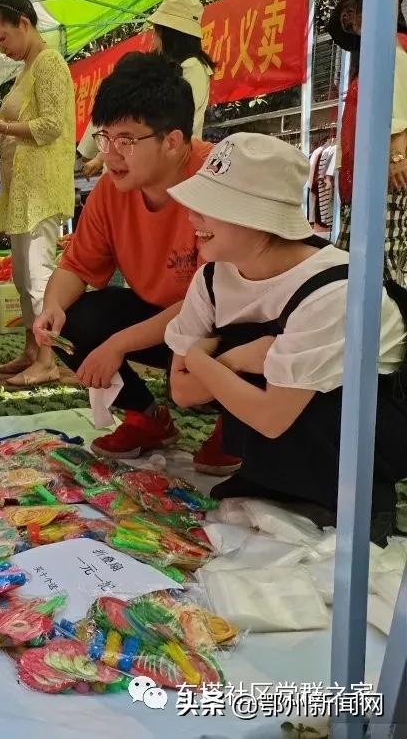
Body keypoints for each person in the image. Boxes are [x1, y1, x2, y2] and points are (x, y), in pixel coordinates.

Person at [165, 133, 407, 543]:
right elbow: (182, 392)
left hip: (366, 437)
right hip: (280, 423)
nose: (192, 219)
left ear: (260, 218)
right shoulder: (213, 276)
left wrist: (206, 359)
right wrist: (234, 361)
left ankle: (358, 498)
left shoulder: (336, 288)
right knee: (259, 355)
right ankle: (268, 477)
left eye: (211, 208)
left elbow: (271, 418)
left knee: (295, 381)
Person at [32, 52, 236, 474]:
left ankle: (237, 426)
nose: (110, 154)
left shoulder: (217, 179)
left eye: (126, 141)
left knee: (240, 336)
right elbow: (77, 266)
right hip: (163, 318)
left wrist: (118, 345)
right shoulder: (112, 189)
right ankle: (147, 418)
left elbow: (212, 301)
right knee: (73, 319)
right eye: (105, 138)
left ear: (173, 141)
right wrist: (51, 306)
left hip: (227, 322)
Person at [0, 0, 76, 387]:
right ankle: (33, 350)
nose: (2, 48)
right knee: (22, 276)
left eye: (3, 38)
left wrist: (0, 127)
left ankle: (48, 359)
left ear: (24, 25)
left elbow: (51, 127)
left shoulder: (49, 64)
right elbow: (22, 129)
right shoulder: (28, 68)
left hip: (42, 188)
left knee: (38, 278)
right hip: (23, 188)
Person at [80, 0, 215, 178]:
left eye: (156, 31)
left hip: (164, 168)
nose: (154, 39)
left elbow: (158, 119)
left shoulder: (192, 68)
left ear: (168, 34)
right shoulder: (176, 68)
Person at [328, 0, 407, 284]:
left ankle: (382, 324)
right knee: (371, 261)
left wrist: (397, 154)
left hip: (383, 176)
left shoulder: (393, 44)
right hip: (370, 175)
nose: (349, 18)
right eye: (345, 17)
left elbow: (399, 102)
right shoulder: (383, 47)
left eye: (353, 9)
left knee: (377, 264)